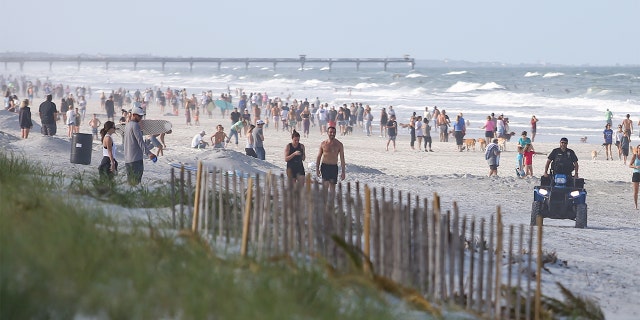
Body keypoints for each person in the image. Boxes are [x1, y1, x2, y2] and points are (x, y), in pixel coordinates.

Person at [123, 106, 156, 186]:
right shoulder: (135, 125)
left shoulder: (127, 125)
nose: (141, 118)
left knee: (130, 184)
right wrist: (149, 154)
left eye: (142, 116)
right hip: (136, 160)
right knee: (136, 184)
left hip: (128, 159)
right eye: (139, 116)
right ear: (134, 115)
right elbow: (140, 141)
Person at [629, 145, 640, 209]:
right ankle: (636, 205)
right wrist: (635, 167)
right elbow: (630, 165)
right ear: (637, 149)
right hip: (636, 174)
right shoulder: (635, 156)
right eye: (639, 148)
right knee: (636, 191)